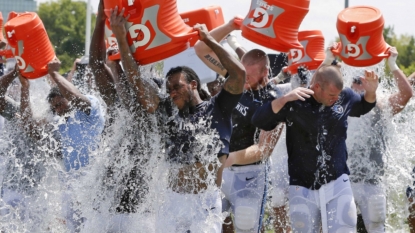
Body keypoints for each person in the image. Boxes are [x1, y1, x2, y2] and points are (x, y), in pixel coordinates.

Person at [110, 6, 245, 232]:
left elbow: (239, 74)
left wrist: (209, 40)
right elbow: (135, 81)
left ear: (193, 84)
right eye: (168, 88)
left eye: (177, 86)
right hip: (172, 202)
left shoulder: (218, 108)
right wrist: (121, 38)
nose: (171, 92)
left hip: (204, 202)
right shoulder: (167, 111)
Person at [251, 43, 379, 232]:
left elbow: (364, 106)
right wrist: (284, 99)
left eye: (337, 95)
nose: (335, 98)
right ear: (317, 87)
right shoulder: (295, 101)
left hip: (337, 182)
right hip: (302, 186)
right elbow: (259, 120)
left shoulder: (344, 96)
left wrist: (371, 91)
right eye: (331, 95)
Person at [194, 16, 288, 233]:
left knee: (247, 227)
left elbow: (264, 149)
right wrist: (229, 27)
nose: (243, 83)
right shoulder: (236, 77)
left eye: (249, 78)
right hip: (223, 170)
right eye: (242, 75)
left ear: (265, 73)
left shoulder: (273, 100)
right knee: (211, 226)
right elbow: (201, 49)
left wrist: (229, 158)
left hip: (251, 175)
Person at [19, 58, 105, 232]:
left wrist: (54, 74)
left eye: (61, 103)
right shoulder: (61, 123)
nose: (58, 109)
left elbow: (74, 96)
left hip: (95, 186)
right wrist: (25, 89)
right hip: (71, 189)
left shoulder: (91, 107)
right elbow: (29, 126)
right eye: (55, 107)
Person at [346, 47, 413, 233]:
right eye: (355, 80)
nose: (357, 85)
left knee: (376, 228)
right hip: (345, 182)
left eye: (362, 81)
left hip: (372, 183)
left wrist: (392, 64)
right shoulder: (342, 105)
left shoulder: (381, 105)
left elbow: (406, 94)